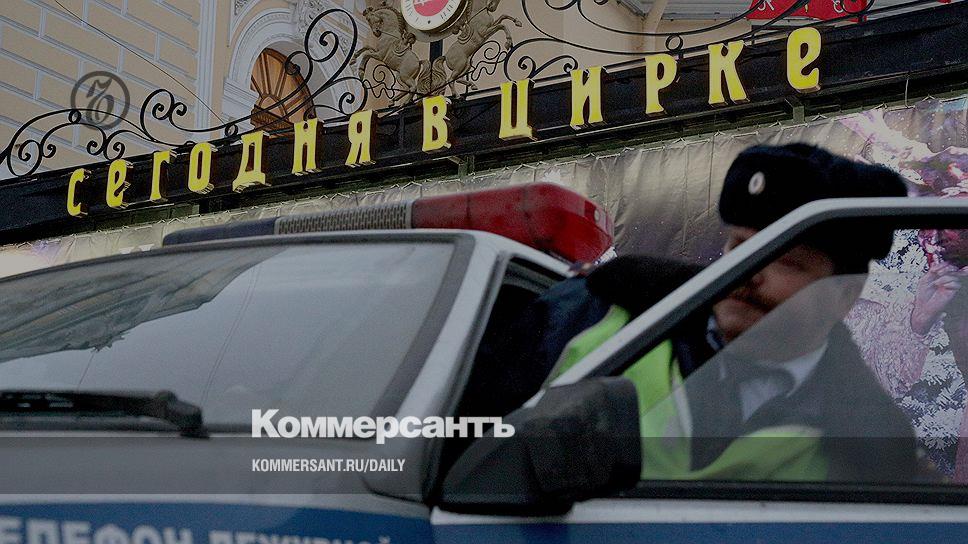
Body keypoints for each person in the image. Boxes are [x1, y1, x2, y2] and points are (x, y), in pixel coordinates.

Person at [546, 143, 921, 482]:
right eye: (740, 247)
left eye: (785, 260)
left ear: (845, 295)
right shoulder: (591, 314)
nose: (748, 272)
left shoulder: (872, 450)